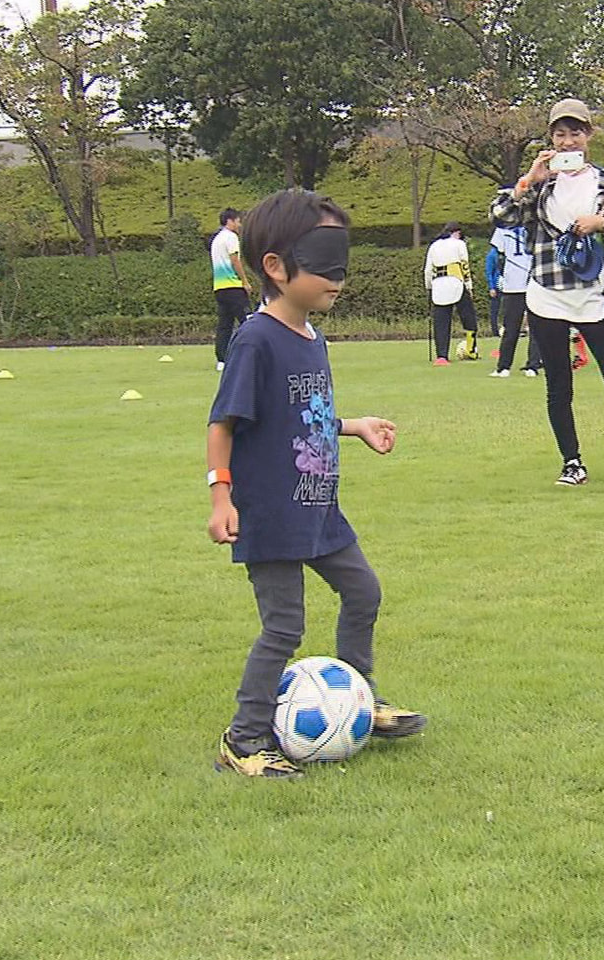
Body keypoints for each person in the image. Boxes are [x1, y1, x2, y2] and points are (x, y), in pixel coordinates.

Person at [206, 188, 426, 779]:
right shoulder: (256, 339)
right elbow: (223, 422)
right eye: (324, 264)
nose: (338, 278)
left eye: (341, 263)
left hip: (320, 509)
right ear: (276, 266)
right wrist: (220, 495)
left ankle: (360, 697)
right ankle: (244, 739)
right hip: (272, 513)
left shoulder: (311, 336)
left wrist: (350, 426)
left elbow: (300, 412)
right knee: (284, 626)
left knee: (364, 592)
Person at [491, 98, 604, 492]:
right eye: (560, 134)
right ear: (551, 138)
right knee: (558, 384)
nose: (568, 141)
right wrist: (529, 179)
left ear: (588, 136)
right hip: (546, 295)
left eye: (576, 133)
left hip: (594, 295)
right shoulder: (541, 185)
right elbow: (501, 215)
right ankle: (571, 461)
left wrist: (603, 224)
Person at [488, 218, 543, 378]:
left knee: (511, 328)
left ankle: (504, 367)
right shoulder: (536, 225)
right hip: (532, 281)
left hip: (515, 283)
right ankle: (532, 366)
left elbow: (497, 254)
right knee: (535, 328)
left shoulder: (503, 227)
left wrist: (498, 276)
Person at [423, 221, 478, 364]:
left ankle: (442, 355)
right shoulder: (459, 244)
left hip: (438, 285)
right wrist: (469, 286)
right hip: (456, 282)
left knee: (441, 321)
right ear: (457, 233)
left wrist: (429, 287)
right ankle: (471, 349)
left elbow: (428, 270)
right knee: (468, 317)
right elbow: (465, 266)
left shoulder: (434, 245)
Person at [211, 208, 253, 372]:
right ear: (230, 221)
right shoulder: (231, 238)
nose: (239, 224)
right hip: (233, 286)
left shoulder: (216, 239)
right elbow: (235, 260)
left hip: (219, 287)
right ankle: (251, 356)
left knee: (225, 324)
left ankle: (222, 359)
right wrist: (245, 282)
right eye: (238, 221)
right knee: (248, 321)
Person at [484, 242, 502, 336]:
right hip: (497, 285)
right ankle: (495, 331)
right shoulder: (492, 255)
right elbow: (489, 272)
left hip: (507, 285)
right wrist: (491, 287)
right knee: (495, 309)